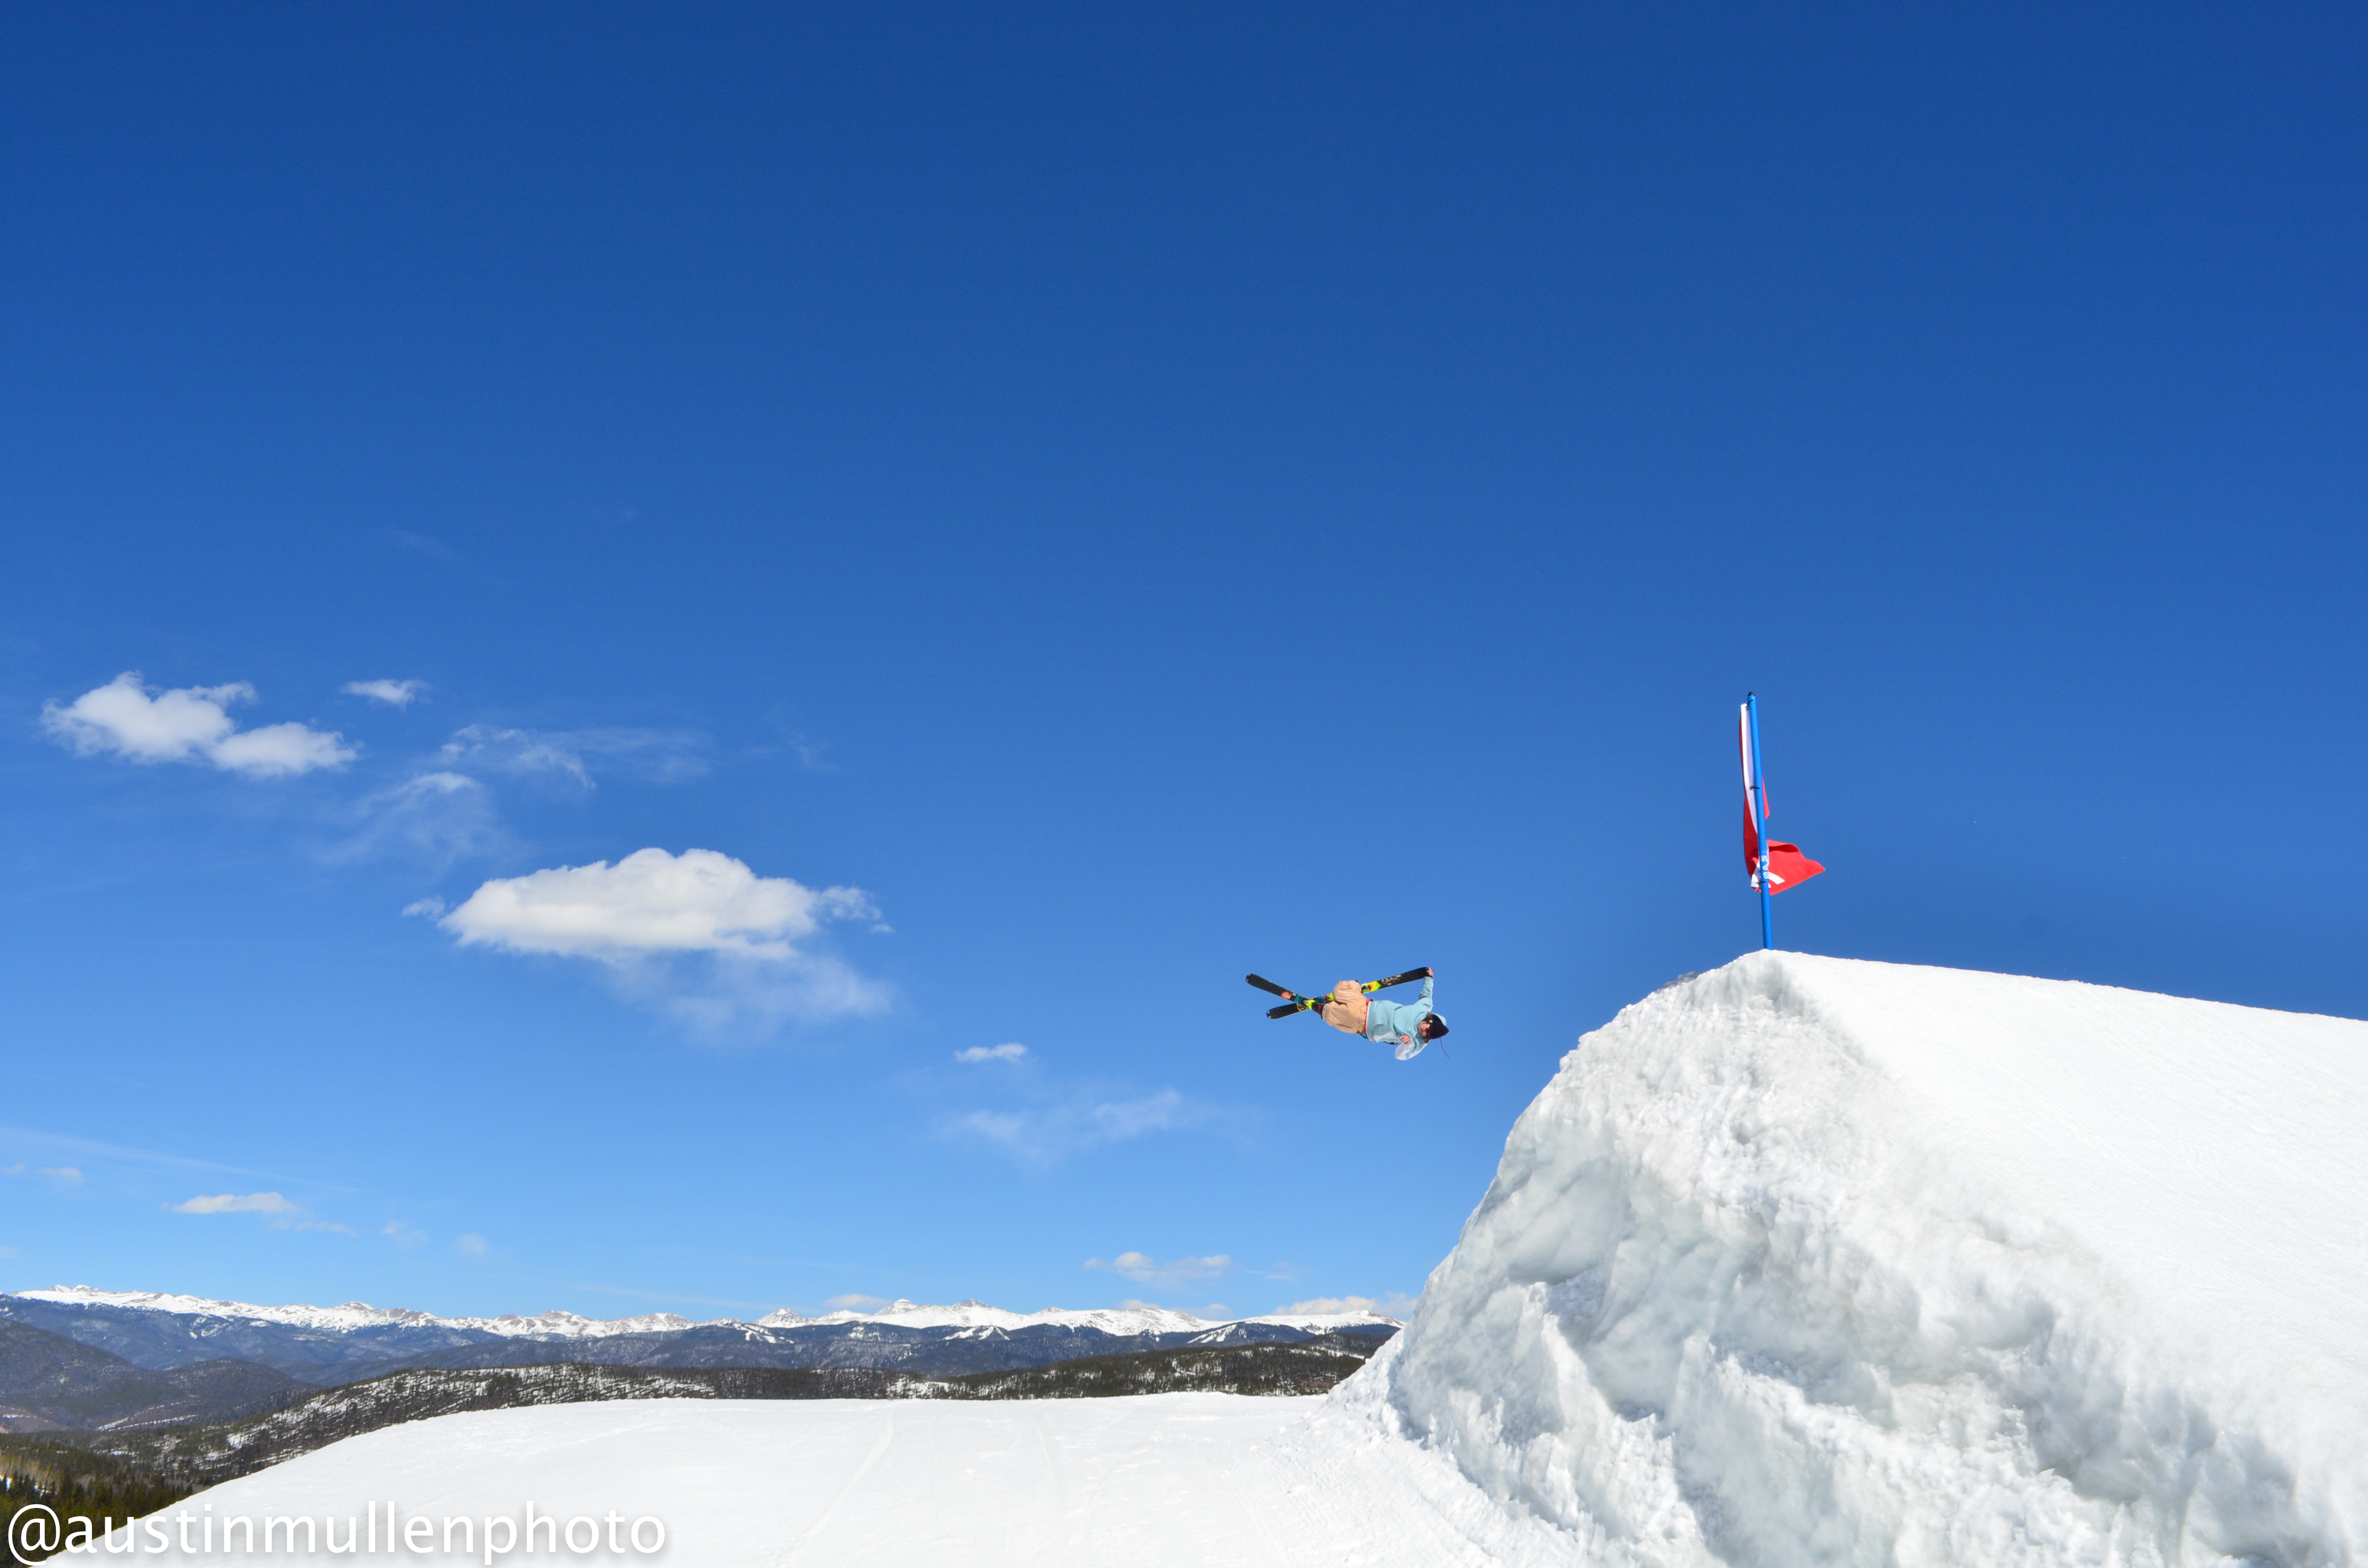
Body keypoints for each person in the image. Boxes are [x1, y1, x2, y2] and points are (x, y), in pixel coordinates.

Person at [1320, 974, 1449, 1060]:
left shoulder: (1418, 1042)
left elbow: (1400, 1056)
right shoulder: (1423, 1010)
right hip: (1368, 1006)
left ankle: (1322, 1010)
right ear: (1429, 1021)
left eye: (1428, 1036)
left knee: (1333, 1013)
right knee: (1340, 990)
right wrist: (1429, 978)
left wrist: (1408, 1045)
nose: (1425, 1033)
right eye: (1428, 1030)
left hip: (1364, 1024)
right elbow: (1426, 995)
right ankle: (1354, 987)